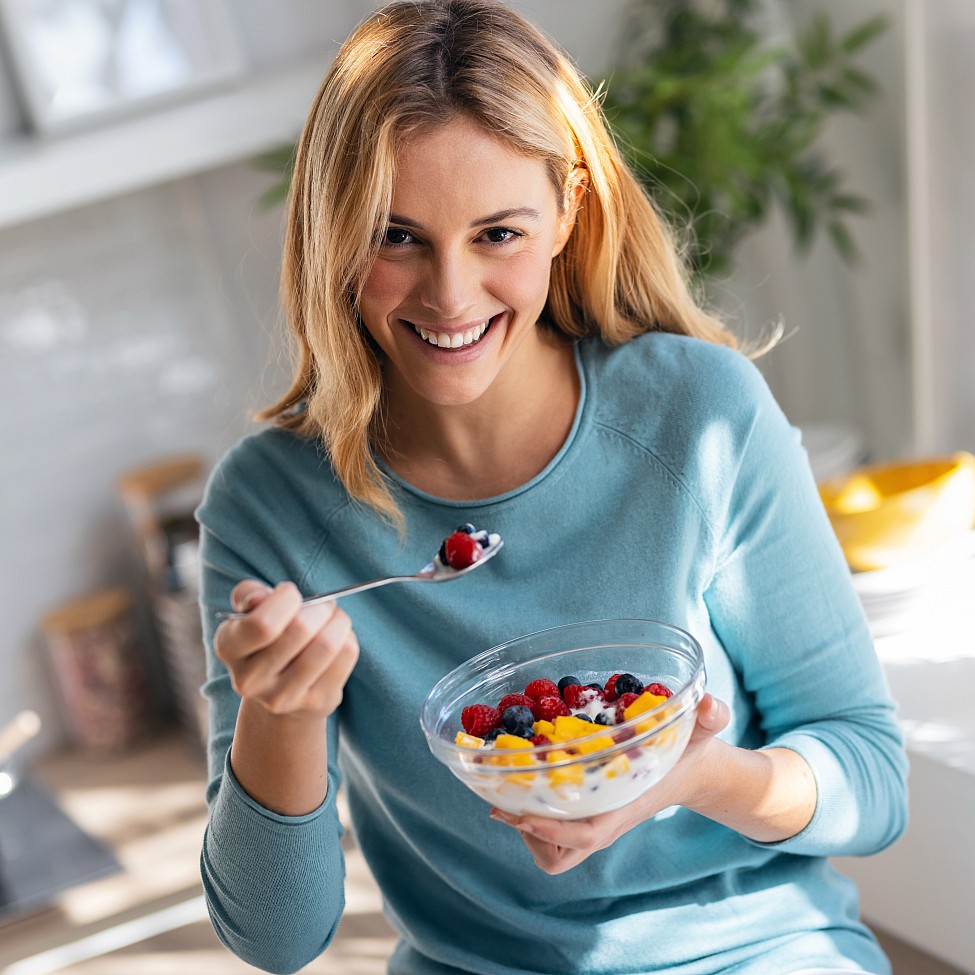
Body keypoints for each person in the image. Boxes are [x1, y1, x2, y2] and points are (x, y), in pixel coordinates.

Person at [196, 2, 909, 973]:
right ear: (330, 233)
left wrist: (693, 777)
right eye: (396, 237)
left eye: (497, 233)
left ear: (568, 207)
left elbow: (871, 781)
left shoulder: (699, 417)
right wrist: (280, 714)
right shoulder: (271, 505)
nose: (450, 296)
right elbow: (275, 942)